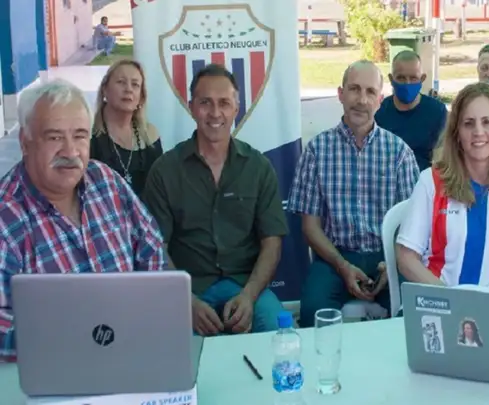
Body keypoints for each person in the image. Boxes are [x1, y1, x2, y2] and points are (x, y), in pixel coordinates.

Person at [0, 79, 167, 362]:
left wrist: (142, 317)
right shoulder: (6, 221)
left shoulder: (106, 181)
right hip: (56, 368)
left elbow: (151, 249)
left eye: (79, 136)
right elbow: (3, 335)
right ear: (25, 143)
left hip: (132, 349)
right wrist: (82, 339)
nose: (70, 152)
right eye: (54, 138)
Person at [143, 64, 288, 336]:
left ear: (236, 109)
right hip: (190, 290)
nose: (215, 113)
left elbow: (272, 242)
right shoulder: (165, 171)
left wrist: (249, 296)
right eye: (205, 103)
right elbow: (155, 248)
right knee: (175, 351)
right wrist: (186, 302)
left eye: (224, 103)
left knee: (278, 338)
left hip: (246, 286)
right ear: (191, 107)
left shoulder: (258, 167)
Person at [287, 60, 419, 328]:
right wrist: (342, 266)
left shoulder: (399, 153)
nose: (362, 100)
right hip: (335, 256)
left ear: (380, 100)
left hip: (387, 256)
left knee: (413, 309)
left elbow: (413, 224)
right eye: (354, 89)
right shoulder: (317, 151)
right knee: (312, 310)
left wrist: (390, 264)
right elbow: (310, 228)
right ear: (340, 94)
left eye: (370, 92)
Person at [395, 83, 489, 291]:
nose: (478, 132)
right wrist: (451, 300)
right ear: (456, 132)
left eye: (487, 122)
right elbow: (406, 257)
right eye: (468, 123)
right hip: (440, 301)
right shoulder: (431, 182)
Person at [91, 59, 163, 196]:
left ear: (141, 97)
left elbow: (159, 189)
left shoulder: (150, 135)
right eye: (121, 82)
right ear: (105, 90)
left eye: (135, 84)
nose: (128, 89)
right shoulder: (88, 133)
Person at [375, 50, 448, 171]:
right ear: (391, 79)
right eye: (401, 78)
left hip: (424, 178)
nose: (407, 83)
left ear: (422, 79)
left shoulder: (437, 112)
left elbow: (442, 157)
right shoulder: (379, 111)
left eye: (413, 78)